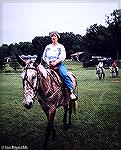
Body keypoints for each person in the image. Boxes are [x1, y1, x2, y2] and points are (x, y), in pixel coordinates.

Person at [42, 31, 77, 100]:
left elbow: (62, 56)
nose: (53, 37)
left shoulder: (61, 46)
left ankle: (71, 92)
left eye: (55, 36)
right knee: (41, 75)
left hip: (59, 65)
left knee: (64, 75)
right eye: (52, 36)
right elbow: (44, 56)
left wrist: (55, 62)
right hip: (49, 65)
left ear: (57, 37)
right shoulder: (48, 47)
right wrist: (48, 62)